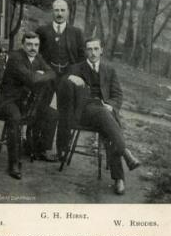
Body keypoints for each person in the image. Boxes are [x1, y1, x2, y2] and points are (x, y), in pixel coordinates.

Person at [57, 37, 141, 195]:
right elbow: (61, 81)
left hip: (104, 112)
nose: (93, 52)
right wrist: (69, 77)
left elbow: (117, 95)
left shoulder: (110, 70)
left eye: (96, 49)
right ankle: (125, 157)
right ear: (85, 51)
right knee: (107, 118)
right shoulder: (76, 68)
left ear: (101, 50)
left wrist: (111, 105)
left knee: (107, 123)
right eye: (89, 49)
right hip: (83, 112)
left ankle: (119, 178)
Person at [0, 32, 57, 180]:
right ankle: (14, 163)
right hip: (5, 101)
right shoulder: (16, 58)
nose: (33, 48)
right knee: (15, 118)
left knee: (52, 114)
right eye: (29, 45)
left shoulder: (38, 58)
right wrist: (40, 74)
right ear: (23, 45)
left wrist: (40, 74)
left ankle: (40, 150)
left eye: (36, 45)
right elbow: (32, 80)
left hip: (25, 103)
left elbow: (52, 73)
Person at [36, 0, 86, 157]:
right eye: (56, 10)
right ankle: (41, 147)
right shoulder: (42, 31)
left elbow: (81, 57)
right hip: (49, 74)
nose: (59, 14)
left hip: (67, 75)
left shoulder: (76, 33)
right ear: (52, 12)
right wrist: (40, 70)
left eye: (62, 10)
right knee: (44, 108)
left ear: (68, 12)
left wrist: (75, 75)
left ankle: (62, 149)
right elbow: (36, 54)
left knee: (66, 111)